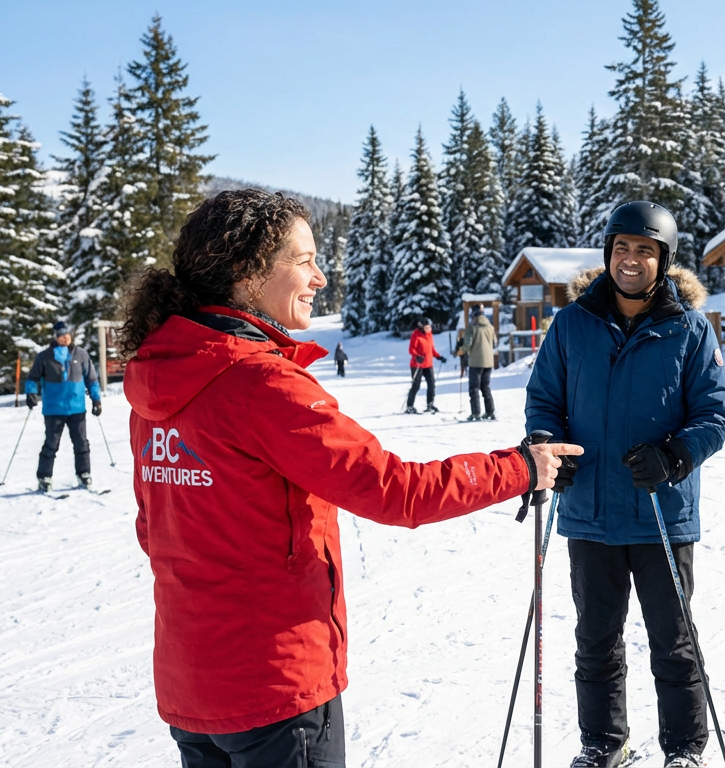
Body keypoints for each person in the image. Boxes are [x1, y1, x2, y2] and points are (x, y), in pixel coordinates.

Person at [119, 189, 582, 768]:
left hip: (192, 683)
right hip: (275, 685)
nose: (318, 276)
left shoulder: (162, 378)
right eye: (302, 259)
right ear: (245, 272)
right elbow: (394, 489)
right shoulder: (259, 383)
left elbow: (153, 529)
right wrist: (519, 468)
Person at [525, 201, 725, 768]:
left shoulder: (688, 328)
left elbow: (714, 414)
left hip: (660, 509)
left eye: (645, 250)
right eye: (622, 248)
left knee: (674, 642)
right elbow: (545, 400)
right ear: (608, 254)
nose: (632, 260)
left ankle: (684, 750)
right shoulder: (572, 324)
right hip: (590, 510)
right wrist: (548, 444)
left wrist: (673, 454)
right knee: (595, 643)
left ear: (662, 260)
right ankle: (603, 743)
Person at [24, 320, 102, 492]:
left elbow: (92, 379)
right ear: (56, 337)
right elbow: (32, 378)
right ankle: (44, 477)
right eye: (61, 336)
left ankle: (84, 474)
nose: (65, 338)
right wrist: (31, 393)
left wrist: (96, 399)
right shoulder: (44, 356)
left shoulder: (81, 354)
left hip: (77, 408)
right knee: (51, 444)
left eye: (67, 335)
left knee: (81, 443)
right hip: (54, 409)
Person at [464, 305, 498, 422]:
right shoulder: (490, 327)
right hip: (488, 361)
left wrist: (459, 351)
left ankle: (475, 413)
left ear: (474, 315)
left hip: (475, 361)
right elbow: (494, 343)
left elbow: (467, 345)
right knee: (486, 387)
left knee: (474, 388)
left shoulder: (471, 327)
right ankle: (490, 411)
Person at [406, 317, 445, 414]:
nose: (429, 329)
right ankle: (410, 406)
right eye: (427, 327)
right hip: (417, 364)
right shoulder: (416, 334)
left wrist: (438, 356)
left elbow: (431, 349)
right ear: (421, 327)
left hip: (428, 364)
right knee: (416, 386)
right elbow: (411, 349)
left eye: (430, 327)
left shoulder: (430, 335)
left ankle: (430, 404)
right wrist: (417, 356)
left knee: (432, 384)